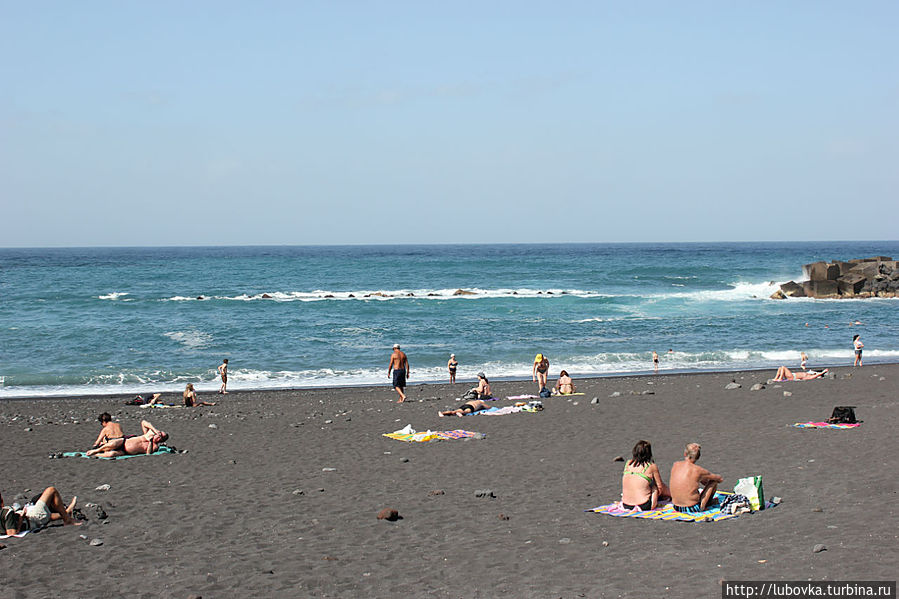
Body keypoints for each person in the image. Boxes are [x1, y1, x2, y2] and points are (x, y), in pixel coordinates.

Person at [669, 443, 723, 513]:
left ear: (685, 454)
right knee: (713, 481)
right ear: (698, 456)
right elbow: (719, 479)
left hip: (676, 506)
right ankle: (707, 503)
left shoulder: (676, 465)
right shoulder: (698, 470)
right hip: (692, 508)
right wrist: (708, 479)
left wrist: (701, 478)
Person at [2, 487, 81, 534]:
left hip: (28, 517)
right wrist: (21, 518)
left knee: (45, 513)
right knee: (51, 490)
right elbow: (12, 533)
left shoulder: (4, 513)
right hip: (30, 520)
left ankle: (67, 513)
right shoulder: (7, 512)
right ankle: (67, 520)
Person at [620, 440, 671, 511]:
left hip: (626, 505)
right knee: (655, 486)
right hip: (643, 505)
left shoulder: (628, 463)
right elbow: (660, 487)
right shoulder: (651, 466)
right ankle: (674, 495)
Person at [86, 420, 168, 458]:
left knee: (111, 454)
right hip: (123, 442)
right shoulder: (147, 434)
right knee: (113, 444)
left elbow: (148, 453)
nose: (158, 435)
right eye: (160, 433)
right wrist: (155, 430)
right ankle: (96, 450)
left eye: (160, 436)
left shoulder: (154, 446)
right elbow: (144, 422)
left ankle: (96, 455)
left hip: (126, 451)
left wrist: (150, 442)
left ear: (161, 440)